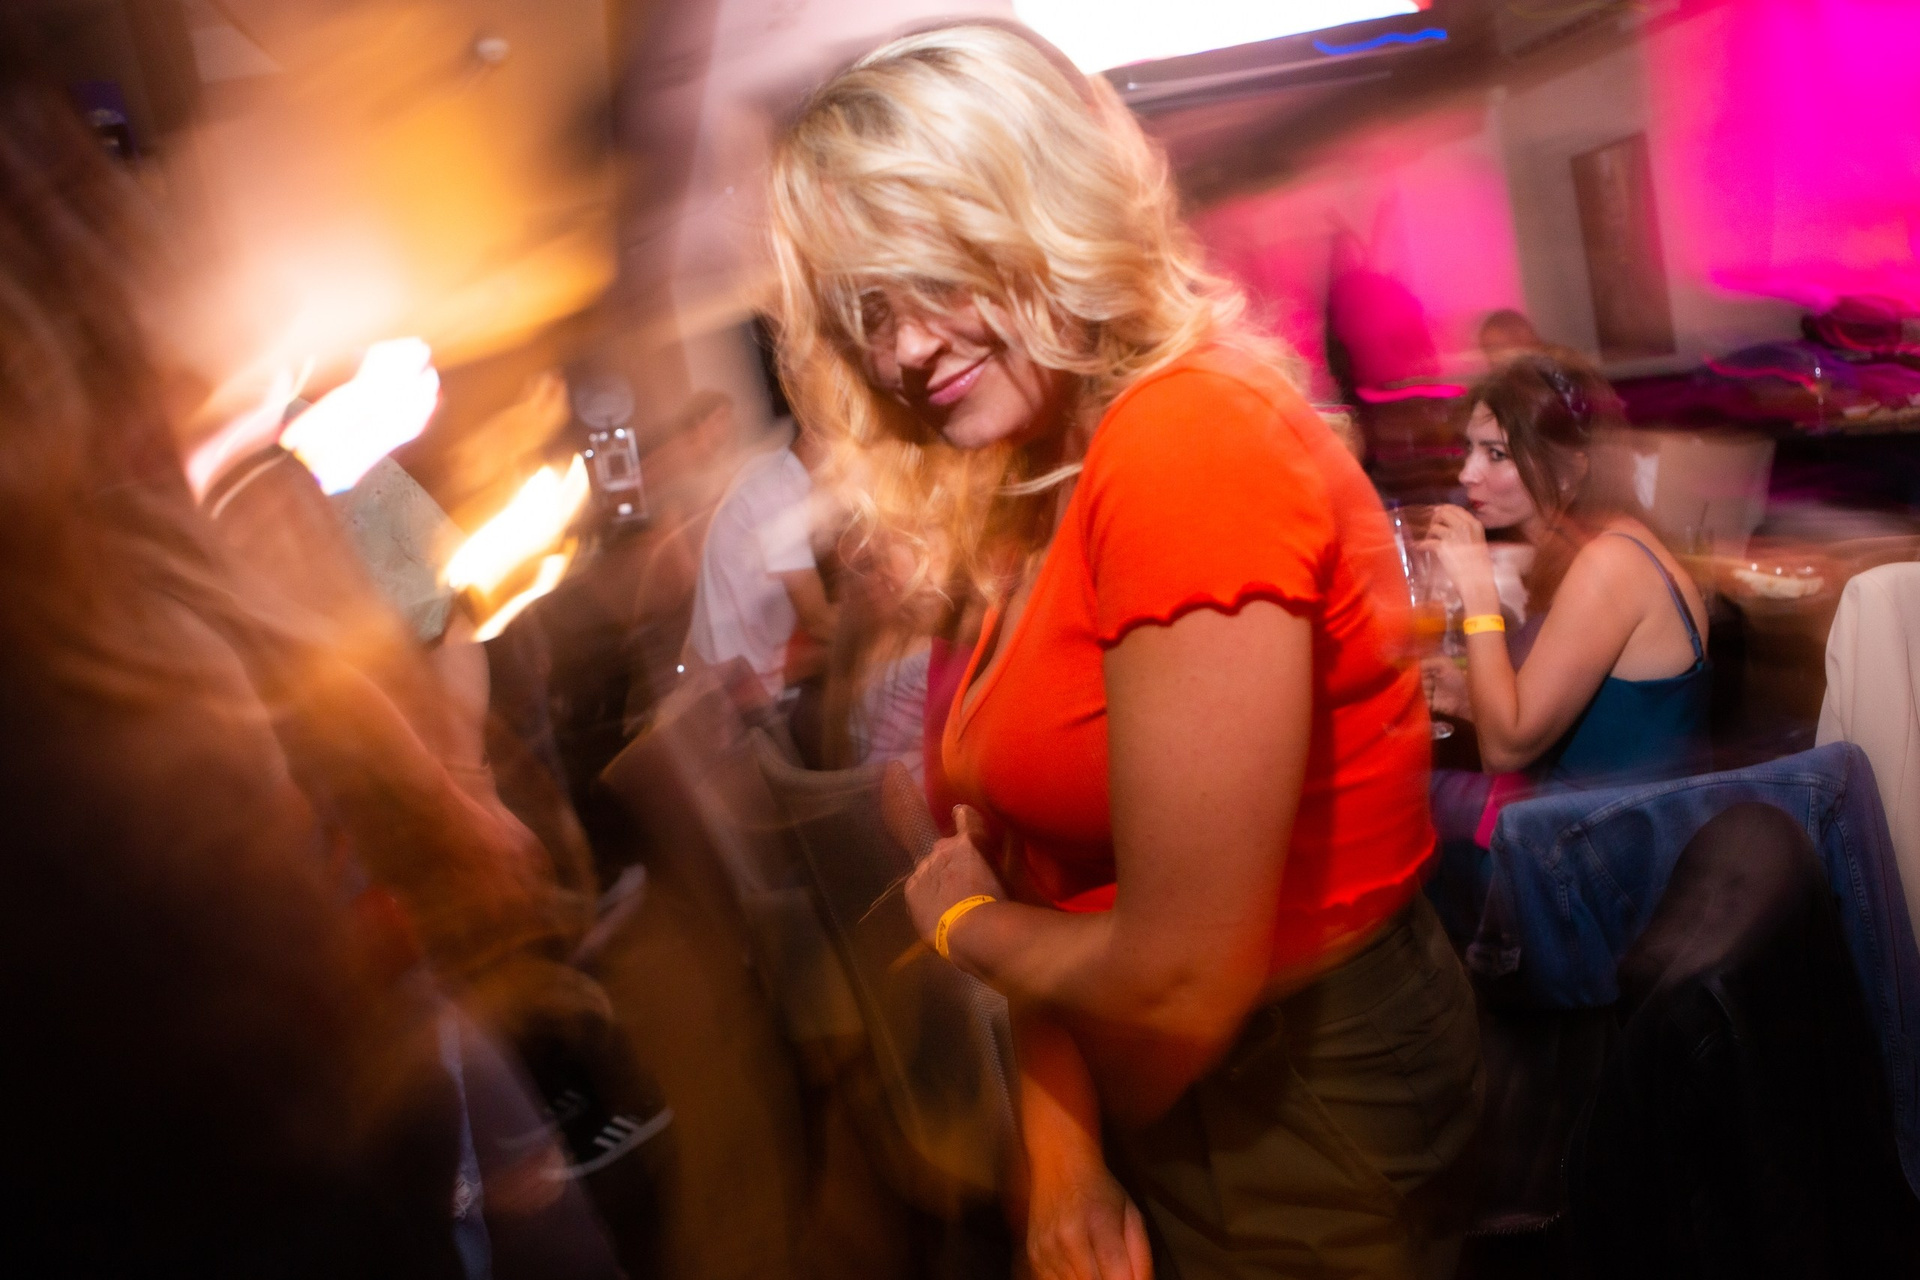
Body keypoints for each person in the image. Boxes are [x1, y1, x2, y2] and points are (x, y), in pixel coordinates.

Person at [767, 25, 1481, 1279]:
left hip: (1305, 1107)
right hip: (1166, 1092)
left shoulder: (1184, 438)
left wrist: (961, 923)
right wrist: (1063, 1147)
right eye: (870, 312)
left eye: (937, 277)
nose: (905, 348)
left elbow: (1178, 972)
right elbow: (1039, 868)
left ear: (1041, 213)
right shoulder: (1039, 483)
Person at [1422, 352, 1710, 792]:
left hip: (1604, 830)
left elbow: (1504, 751)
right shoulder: (1582, 549)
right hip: (1577, 813)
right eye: (1470, 449)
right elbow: (1545, 715)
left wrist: (1477, 589)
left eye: (1496, 454)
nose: (1466, 474)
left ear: (1568, 471)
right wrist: (1465, 697)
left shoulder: (1612, 563)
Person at [683, 404, 836, 699]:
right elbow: (817, 618)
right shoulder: (779, 492)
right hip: (738, 687)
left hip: (727, 668)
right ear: (815, 438)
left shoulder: (771, 468)